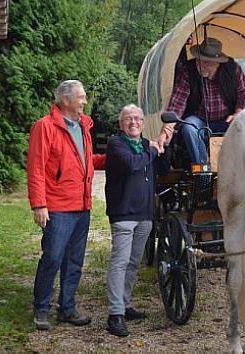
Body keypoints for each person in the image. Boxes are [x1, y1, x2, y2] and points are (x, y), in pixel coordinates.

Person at [27, 80, 106, 330]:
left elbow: (85, 159)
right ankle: (41, 309)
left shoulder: (83, 126)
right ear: (65, 99)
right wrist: (39, 204)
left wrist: (113, 155)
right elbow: (36, 168)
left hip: (82, 206)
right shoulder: (45, 127)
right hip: (58, 207)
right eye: (81, 97)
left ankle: (67, 308)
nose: (84, 101)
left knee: (75, 261)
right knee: (52, 258)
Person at [104, 104, 164, 336]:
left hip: (144, 214)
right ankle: (115, 314)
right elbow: (132, 164)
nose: (134, 122)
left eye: (138, 119)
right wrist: (153, 150)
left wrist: (163, 146)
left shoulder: (146, 144)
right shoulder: (116, 144)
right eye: (129, 119)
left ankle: (125, 305)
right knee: (120, 262)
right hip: (124, 213)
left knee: (133, 263)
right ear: (122, 123)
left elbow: (162, 166)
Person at [157, 37, 245, 165]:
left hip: (227, 119)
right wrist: (166, 130)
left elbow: (244, 96)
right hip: (199, 119)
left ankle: (238, 166)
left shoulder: (234, 70)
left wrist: (238, 114)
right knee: (188, 127)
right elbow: (178, 102)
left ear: (218, 63)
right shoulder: (188, 71)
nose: (201, 66)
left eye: (207, 62)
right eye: (199, 60)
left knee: (243, 125)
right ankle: (203, 168)